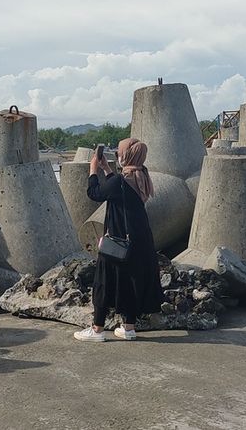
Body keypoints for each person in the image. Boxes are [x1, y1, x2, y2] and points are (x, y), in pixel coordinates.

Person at [74, 138, 163, 342]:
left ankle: (97, 330)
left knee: (104, 282)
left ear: (126, 156)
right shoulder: (142, 175)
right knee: (131, 281)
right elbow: (121, 191)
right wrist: (107, 170)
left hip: (117, 240)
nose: (118, 156)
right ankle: (129, 328)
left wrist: (93, 170)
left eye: (120, 153)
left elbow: (94, 193)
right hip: (140, 241)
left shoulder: (120, 182)